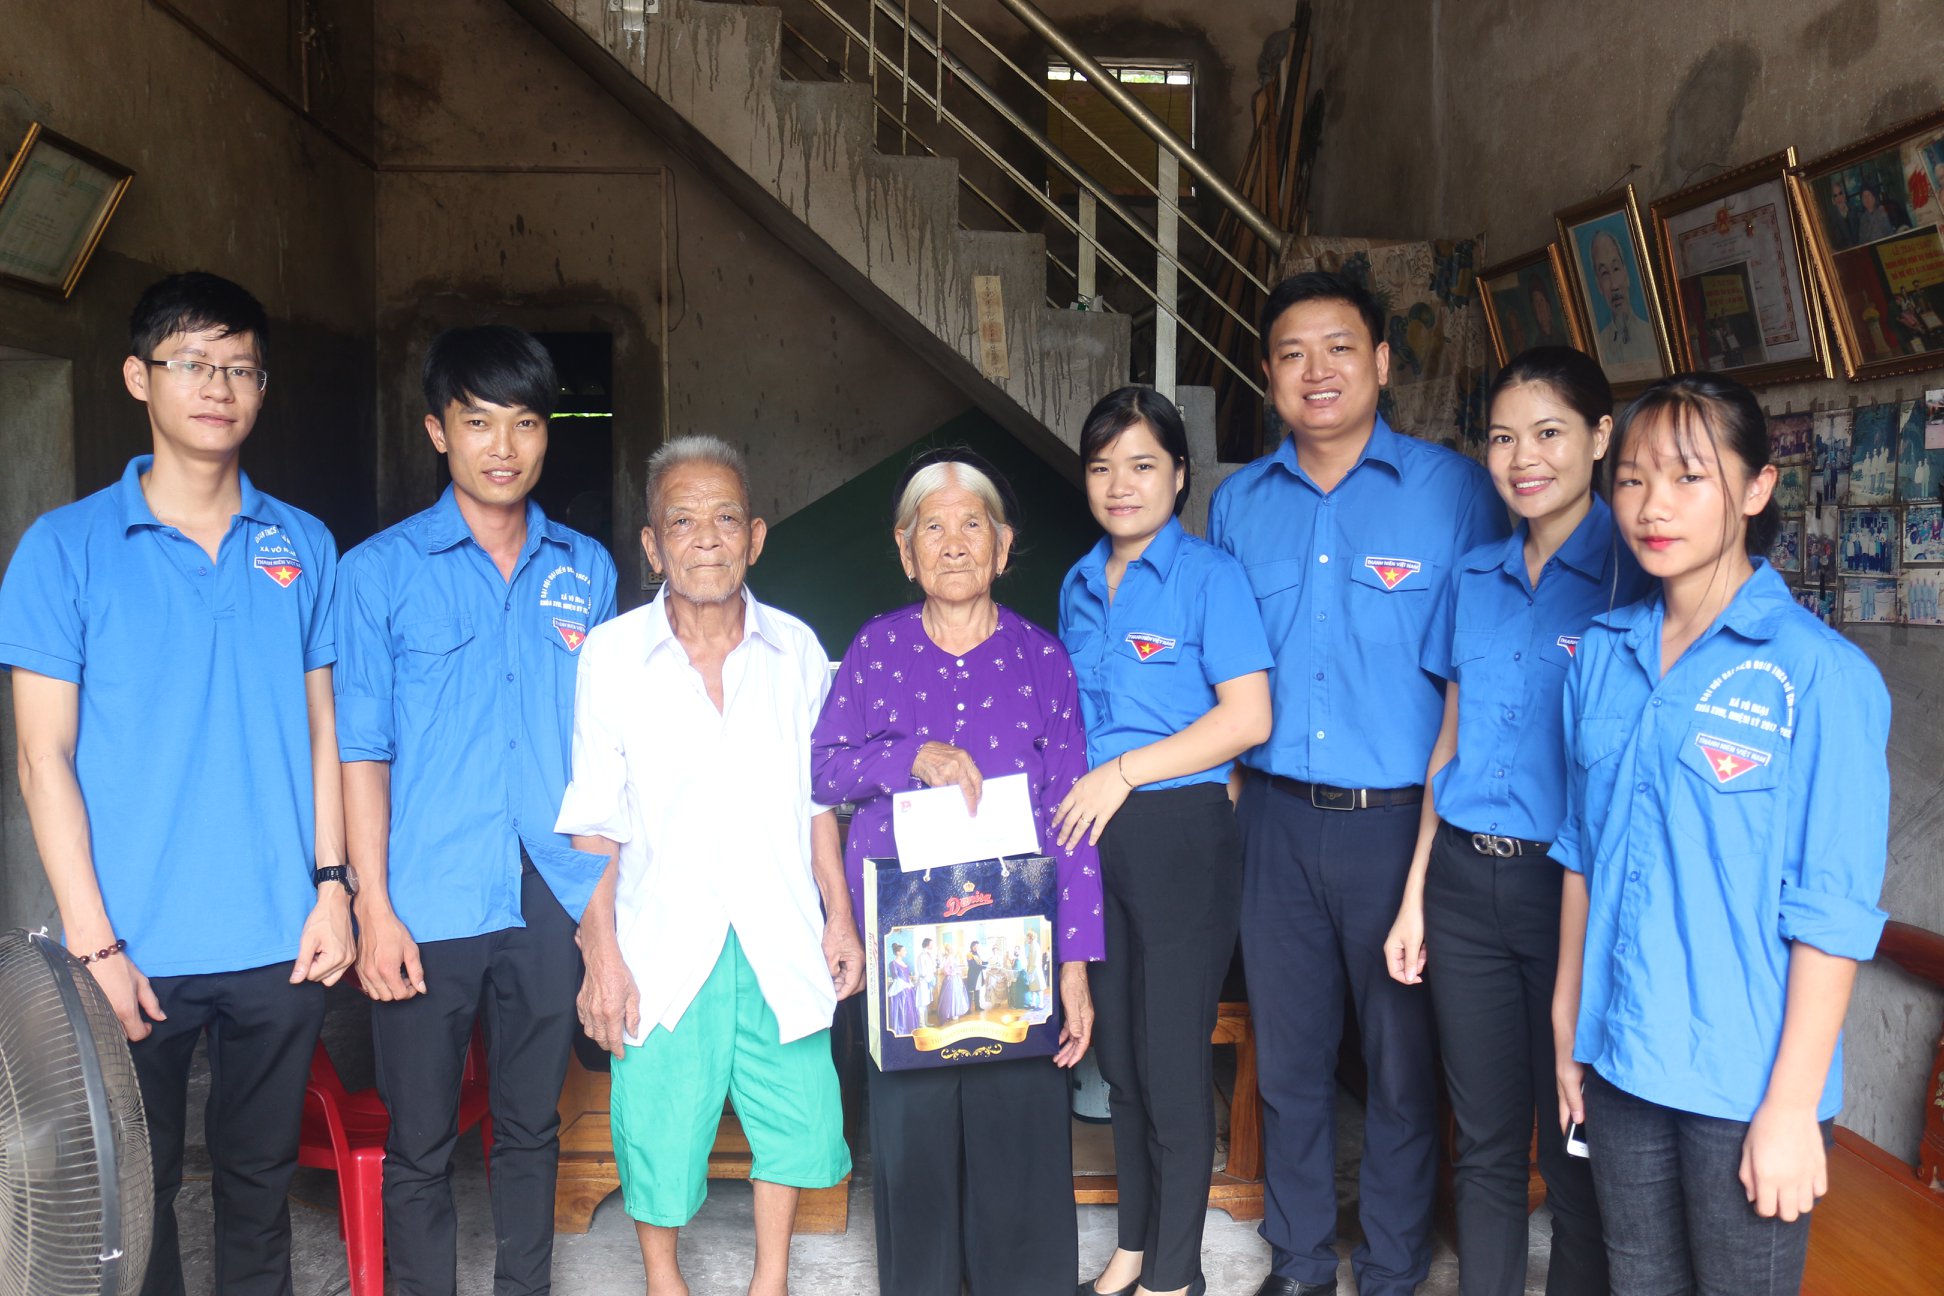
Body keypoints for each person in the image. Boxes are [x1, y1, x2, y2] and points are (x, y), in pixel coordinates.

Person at [0, 271, 354, 1296]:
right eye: (194, 363)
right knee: (134, 1202)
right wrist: (94, 943)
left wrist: (333, 888)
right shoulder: (63, 549)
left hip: (281, 938)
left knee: (258, 1191)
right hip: (131, 944)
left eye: (241, 368)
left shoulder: (302, 543)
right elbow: (42, 758)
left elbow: (324, 728)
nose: (219, 387)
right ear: (137, 377)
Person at [1553, 372, 1890, 1293]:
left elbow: (1832, 912)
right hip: (1621, 1057)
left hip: (1744, 1082)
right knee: (1637, 1280)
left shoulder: (1820, 677)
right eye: (1631, 479)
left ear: (1755, 488)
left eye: (1688, 477)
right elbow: (1583, 851)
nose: (1652, 506)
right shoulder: (1602, 655)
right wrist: (1567, 1021)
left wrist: (1790, 1107)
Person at [1208, 270, 1509, 1296]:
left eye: (1340, 347)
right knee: (1290, 1061)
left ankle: (1388, 1266)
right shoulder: (1239, 504)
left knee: (1399, 1065)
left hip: (1401, 832)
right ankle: (1298, 1261)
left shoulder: (1456, 492)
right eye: (1292, 354)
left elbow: (1486, 661)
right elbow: (1220, 665)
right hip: (1274, 820)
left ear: (1381, 362)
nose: (1317, 371)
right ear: (1268, 376)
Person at [334, 325, 618, 1296]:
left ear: (547, 434)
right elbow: (362, 752)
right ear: (438, 431)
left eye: (526, 423)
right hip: (427, 893)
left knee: (532, 1127)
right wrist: (373, 906)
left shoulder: (586, 569)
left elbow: (603, 753)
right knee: (419, 1142)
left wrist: (600, 912)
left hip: (549, 889)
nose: (504, 446)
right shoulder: (377, 572)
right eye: (479, 422)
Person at [556, 435, 860, 1296]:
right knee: (657, 1121)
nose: (706, 539)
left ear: (754, 537)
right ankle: (664, 1281)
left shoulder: (797, 650)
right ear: (652, 546)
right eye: (682, 522)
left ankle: (771, 1280)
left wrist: (838, 915)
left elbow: (819, 803)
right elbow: (595, 824)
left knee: (794, 1114)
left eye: (726, 519)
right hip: (662, 936)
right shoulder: (612, 655)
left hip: (776, 929)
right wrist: (601, 954)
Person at [1381, 348, 1651, 1296]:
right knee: (1487, 1148)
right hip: (1462, 884)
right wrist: (1415, 894)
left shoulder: (1637, 577)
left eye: (1548, 433)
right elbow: (1447, 745)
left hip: (1568, 893)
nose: (1522, 458)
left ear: (1601, 438)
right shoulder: (1476, 574)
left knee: (1575, 1148)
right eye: (1502, 438)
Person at [811, 448, 1103, 1296]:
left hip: (1018, 953)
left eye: (971, 524)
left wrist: (1076, 966)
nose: (952, 542)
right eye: (931, 528)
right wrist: (911, 756)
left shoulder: (1043, 658)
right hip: (909, 952)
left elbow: (1073, 821)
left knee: (1021, 1155)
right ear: (906, 553)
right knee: (917, 1164)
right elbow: (823, 771)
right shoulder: (875, 650)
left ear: (1002, 547)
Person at [1058, 387, 1274, 1296]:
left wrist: (1125, 771)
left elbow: (1248, 718)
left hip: (1179, 832)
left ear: (1180, 476)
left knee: (1174, 1064)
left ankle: (1175, 1276)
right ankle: (1134, 1250)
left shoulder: (1210, 578)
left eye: (1143, 464)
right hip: (1091, 837)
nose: (1121, 484)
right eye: (1102, 466)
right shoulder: (1077, 584)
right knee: (1122, 1065)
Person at [1589, 230, 1659, 373]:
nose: (1614, 285)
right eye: (1604, 273)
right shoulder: (1598, 348)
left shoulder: (1652, 336)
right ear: (1598, 285)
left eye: (1616, 269)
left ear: (1626, 274)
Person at [889, 943, 920, 1034]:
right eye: (904, 950)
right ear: (898, 952)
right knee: (902, 1008)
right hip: (900, 990)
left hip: (907, 988)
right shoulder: (893, 963)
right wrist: (905, 985)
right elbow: (896, 978)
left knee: (909, 1008)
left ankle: (911, 1027)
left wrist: (909, 983)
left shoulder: (904, 963)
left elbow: (906, 976)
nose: (905, 952)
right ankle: (902, 1029)